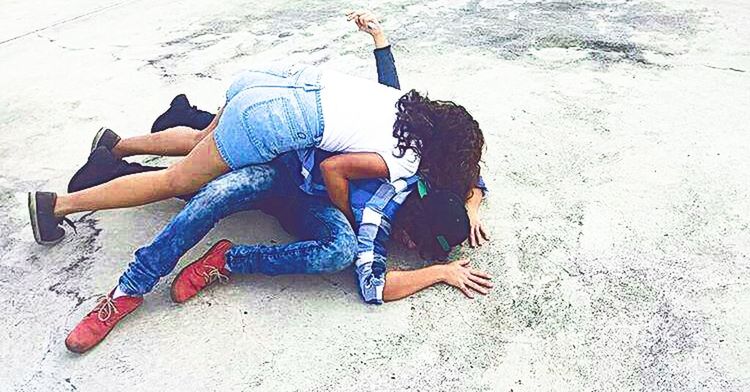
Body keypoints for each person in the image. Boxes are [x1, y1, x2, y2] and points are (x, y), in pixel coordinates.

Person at [61, 10, 492, 354]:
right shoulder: (393, 196)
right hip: (285, 165)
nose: (413, 252)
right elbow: (375, 282)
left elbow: (471, 177)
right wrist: (440, 270)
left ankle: (226, 259)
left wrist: (468, 214)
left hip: (303, 188)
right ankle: (128, 289)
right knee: (206, 190)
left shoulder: (429, 174)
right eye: (420, 246)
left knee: (337, 247)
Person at [27, 12, 486, 247]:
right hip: (272, 121)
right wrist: (348, 215)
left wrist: (381, 42)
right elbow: (336, 173)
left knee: (199, 138)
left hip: (273, 83)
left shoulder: (403, 109)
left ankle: (114, 143)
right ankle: (57, 206)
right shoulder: (403, 160)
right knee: (176, 181)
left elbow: (390, 77)